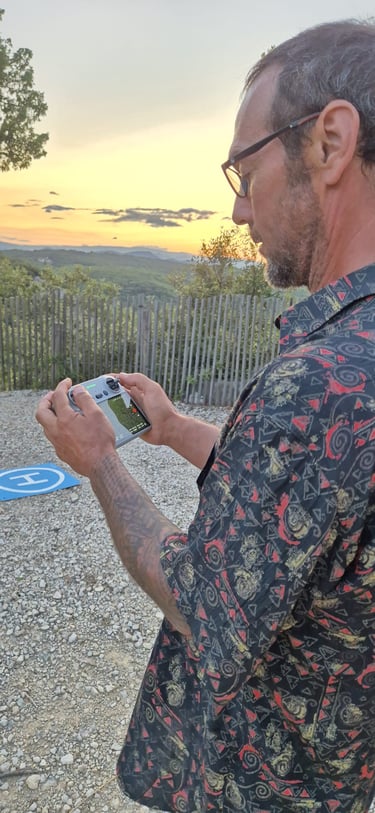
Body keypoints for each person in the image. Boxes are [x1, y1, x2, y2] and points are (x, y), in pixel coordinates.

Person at [36, 18, 375, 813]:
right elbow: (315, 502)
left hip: (260, 782)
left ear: (328, 141)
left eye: (243, 171)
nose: (238, 213)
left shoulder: (321, 380)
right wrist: (177, 429)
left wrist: (102, 459)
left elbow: (202, 603)